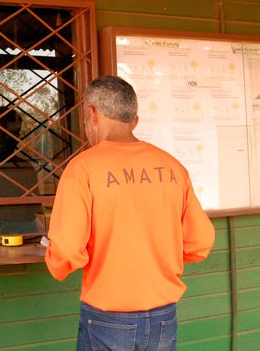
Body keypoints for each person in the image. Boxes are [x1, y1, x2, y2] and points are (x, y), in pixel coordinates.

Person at [44, 76, 215, 351]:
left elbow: (65, 250)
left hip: (108, 319)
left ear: (91, 114)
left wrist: (55, 262)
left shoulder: (83, 168)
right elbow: (201, 241)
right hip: (164, 316)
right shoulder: (171, 166)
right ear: (134, 121)